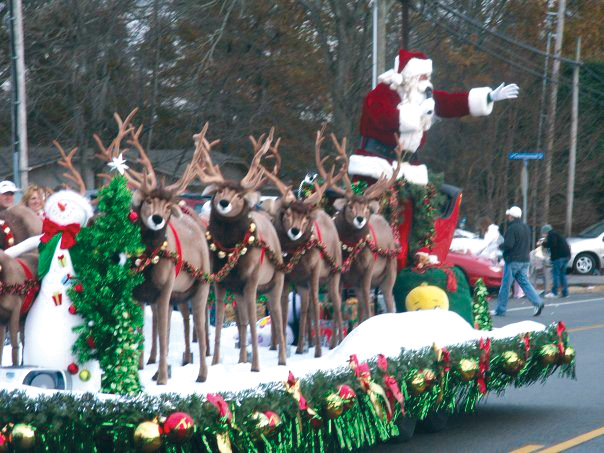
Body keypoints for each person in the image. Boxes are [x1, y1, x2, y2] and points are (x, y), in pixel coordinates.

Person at [348, 49, 519, 183]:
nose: (427, 80)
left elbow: (450, 103)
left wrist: (489, 97)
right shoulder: (382, 93)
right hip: (375, 166)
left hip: (408, 168)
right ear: (409, 76)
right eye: (423, 76)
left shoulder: (422, 97)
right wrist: (419, 112)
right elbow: (384, 118)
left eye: (428, 76)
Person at [492, 206, 544, 317]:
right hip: (525, 259)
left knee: (505, 285)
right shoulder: (526, 227)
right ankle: (538, 302)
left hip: (513, 260)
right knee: (525, 283)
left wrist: (500, 246)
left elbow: (509, 245)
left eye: (508, 216)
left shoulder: (512, 228)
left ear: (511, 217)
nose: (507, 217)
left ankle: (501, 309)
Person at [541, 224, 571, 298]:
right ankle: (565, 293)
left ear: (546, 232)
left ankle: (555, 292)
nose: (543, 235)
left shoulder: (551, 234)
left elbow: (552, 243)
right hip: (566, 256)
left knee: (555, 274)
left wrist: (544, 244)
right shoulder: (557, 234)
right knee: (562, 275)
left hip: (558, 257)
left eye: (543, 233)